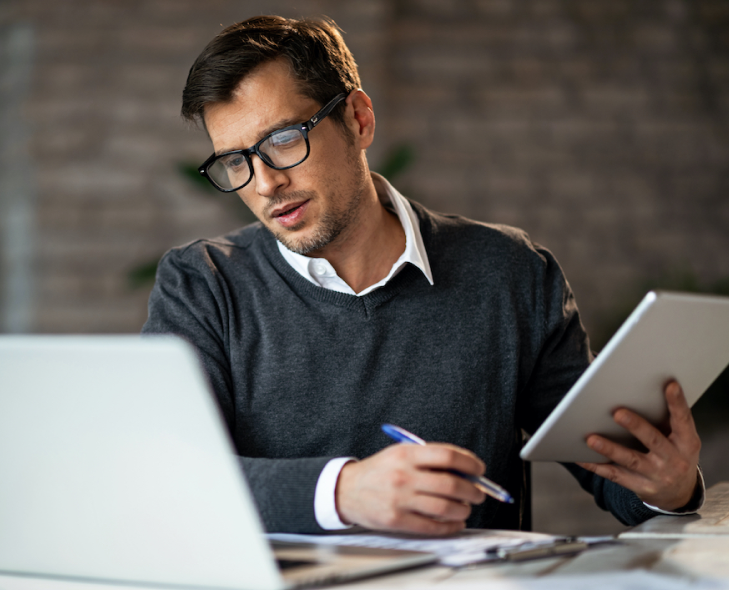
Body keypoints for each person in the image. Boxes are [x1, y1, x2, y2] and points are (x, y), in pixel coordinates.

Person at [142, 15, 704, 535]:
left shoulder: (511, 273)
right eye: (236, 161)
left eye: (283, 140)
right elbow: (166, 475)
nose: (264, 184)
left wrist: (669, 488)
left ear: (358, 120)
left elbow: (612, 472)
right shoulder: (202, 284)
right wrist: (343, 492)